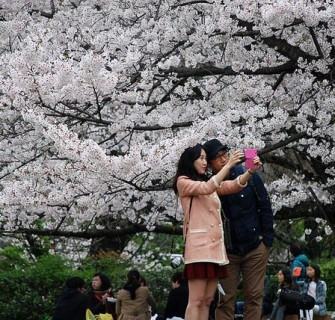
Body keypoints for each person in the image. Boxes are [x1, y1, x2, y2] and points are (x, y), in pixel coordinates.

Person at [173, 143, 261, 320]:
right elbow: (207, 188)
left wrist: (250, 171)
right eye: (201, 158)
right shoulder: (183, 182)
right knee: (196, 300)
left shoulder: (206, 182)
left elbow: (233, 186)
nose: (205, 162)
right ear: (191, 161)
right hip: (198, 250)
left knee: (207, 300)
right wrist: (228, 165)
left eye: (206, 158)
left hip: (214, 249)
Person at [203, 138, 274, 320]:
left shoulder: (247, 173)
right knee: (225, 298)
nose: (223, 159)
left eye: (225, 154)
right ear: (209, 163)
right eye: (217, 157)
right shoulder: (207, 185)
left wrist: (266, 241)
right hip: (227, 251)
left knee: (254, 296)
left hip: (255, 245)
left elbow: (264, 205)